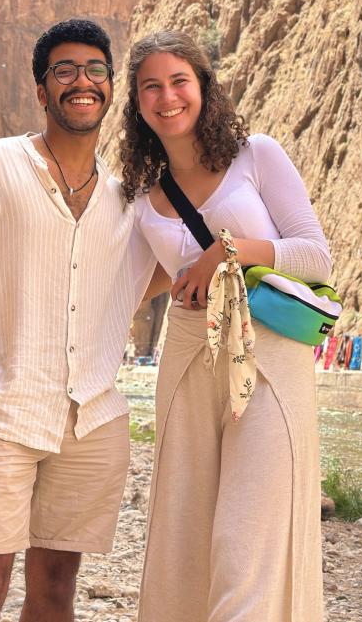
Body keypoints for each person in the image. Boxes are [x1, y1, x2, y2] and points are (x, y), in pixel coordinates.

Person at [0, 18, 157, 622]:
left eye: (96, 70)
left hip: (92, 420)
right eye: (65, 70)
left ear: (110, 86)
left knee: (56, 589)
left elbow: (144, 281)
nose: (83, 81)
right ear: (42, 89)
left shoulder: (127, 200)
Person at [120, 30, 332, 622]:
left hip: (268, 354)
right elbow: (139, 286)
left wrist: (230, 250)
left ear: (203, 88)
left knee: (245, 545)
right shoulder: (141, 198)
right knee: (184, 537)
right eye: (151, 87)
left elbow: (316, 255)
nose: (167, 97)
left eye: (179, 81)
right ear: (137, 105)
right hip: (188, 358)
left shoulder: (256, 156)